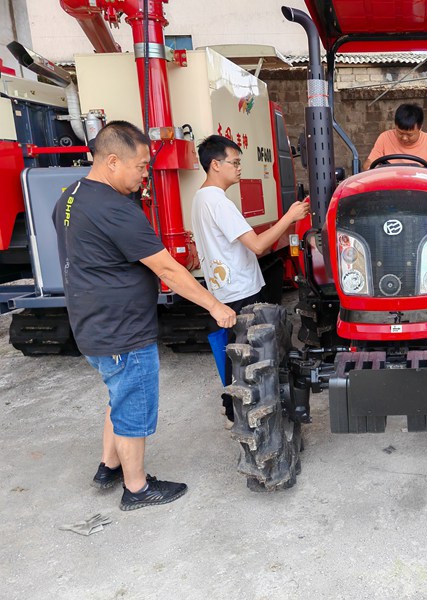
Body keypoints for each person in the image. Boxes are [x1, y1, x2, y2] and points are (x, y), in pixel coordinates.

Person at [53, 121, 237, 511]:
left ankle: (109, 465)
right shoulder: (115, 210)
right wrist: (215, 306)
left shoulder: (70, 197)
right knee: (133, 404)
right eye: (140, 167)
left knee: (117, 393)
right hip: (122, 331)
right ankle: (136, 489)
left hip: (90, 322)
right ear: (113, 161)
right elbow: (168, 269)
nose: (144, 176)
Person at [191, 135, 309, 421]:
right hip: (239, 290)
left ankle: (234, 408)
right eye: (235, 162)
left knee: (234, 354)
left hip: (223, 289)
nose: (239, 168)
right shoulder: (219, 202)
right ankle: (241, 413)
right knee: (246, 356)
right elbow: (257, 245)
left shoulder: (200, 198)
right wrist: (290, 217)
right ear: (215, 165)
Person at [364, 103, 427, 171]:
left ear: (420, 128)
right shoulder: (384, 138)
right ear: (395, 125)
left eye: (410, 135)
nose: (404, 138)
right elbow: (369, 164)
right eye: (400, 133)